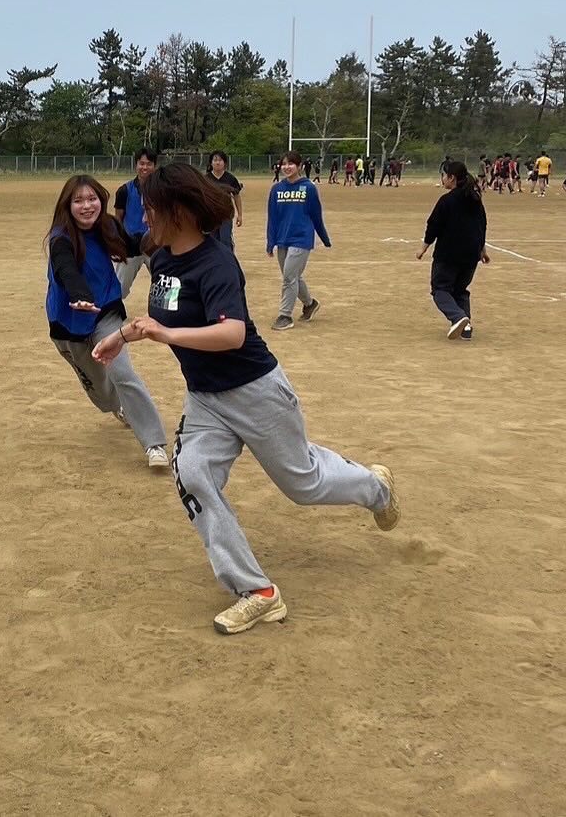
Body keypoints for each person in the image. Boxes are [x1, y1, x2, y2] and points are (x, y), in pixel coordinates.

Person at [91, 163, 399, 635]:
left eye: (152, 208)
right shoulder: (163, 255)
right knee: (192, 474)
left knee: (304, 484)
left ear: (180, 210)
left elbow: (232, 333)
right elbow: (159, 314)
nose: (145, 217)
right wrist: (123, 336)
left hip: (255, 391)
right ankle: (256, 591)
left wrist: (164, 333)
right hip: (206, 400)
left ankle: (376, 487)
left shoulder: (216, 264)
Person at [46, 175, 169, 469]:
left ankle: (154, 443)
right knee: (102, 394)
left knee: (124, 374)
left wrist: (171, 239)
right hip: (68, 324)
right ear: (68, 205)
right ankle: (118, 406)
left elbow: (135, 245)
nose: (87, 206)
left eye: (92, 199)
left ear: (101, 200)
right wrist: (78, 295)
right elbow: (66, 270)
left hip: (106, 313)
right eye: (79, 201)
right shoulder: (60, 238)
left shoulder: (109, 226)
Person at [415, 161, 490, 340]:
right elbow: (482, 225)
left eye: (444, 175)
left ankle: (458, 317)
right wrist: (482, 249)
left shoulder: (447, 200)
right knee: (460, 290)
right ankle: (466, 326)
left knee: (440, 289)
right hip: (471, 255)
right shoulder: (475, 199)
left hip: (449, 255)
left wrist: (423, 248)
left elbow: (433, 226)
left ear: (452, 178)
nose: (442, 179)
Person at [266, 150, 329, 330]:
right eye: (284, 164)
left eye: (291, 163)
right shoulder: (276, 189)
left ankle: (285, 316)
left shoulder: (308, 187)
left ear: (299, 166)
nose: (286, 167)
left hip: (301, 238)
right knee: (292, 276)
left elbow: (316, 215)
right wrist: (271, 242)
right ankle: (310, 304)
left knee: (288, 278)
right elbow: (273, 218)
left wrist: (324, 238)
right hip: (282, 239)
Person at [113, 147, 158, 298]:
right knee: (119, 288)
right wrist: (118, 242)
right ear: (136, 165)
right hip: (130, 245)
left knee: (166, 283)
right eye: (141, 163)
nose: (145, 167)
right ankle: (112, 314)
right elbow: (118, 219)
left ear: (155, 166)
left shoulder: (163, 190)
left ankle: (168, 317)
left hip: (156, 244)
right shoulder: (124, 191)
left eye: (149, 164)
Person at [205, 151, 244, 250]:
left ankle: (228, 260)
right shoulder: (206, 179)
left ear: (225, 163)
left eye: (220, 160)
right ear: (211, 163)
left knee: (225, 240)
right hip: (211, 216)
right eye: (215, 160)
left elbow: (236, 196)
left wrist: (240, 215)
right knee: (211, 240)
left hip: (226, 214)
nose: (217, 163)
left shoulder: (230, 178)